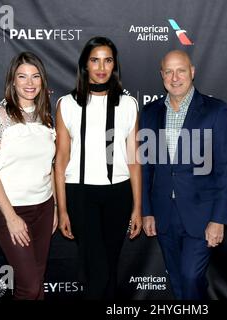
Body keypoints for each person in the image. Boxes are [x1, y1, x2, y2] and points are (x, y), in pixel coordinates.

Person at [139, 50, 227, 300]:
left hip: (202, 215)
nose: (175, 77)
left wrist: (219, 219)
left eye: (181, 70)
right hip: (164, 213)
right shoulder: (150, 113)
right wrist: (147, 210)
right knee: (178, 278)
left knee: (191, 275)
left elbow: (226, 169)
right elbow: (146, 167)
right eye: (168, 71)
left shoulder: (216, 111)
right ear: (161, 75)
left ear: (192, 71)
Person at [55, 36, 142, 299]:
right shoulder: (66, 104)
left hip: (119, 194)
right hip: (80, 195)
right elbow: (60, 161)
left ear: (114, 65)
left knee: (110, 265)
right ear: (85, 65)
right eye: (95, 60)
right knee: (97, 267)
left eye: (108, 60)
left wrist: (137, 208)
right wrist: (62, 210)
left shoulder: (128, 104)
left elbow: (134, 160)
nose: (101, 67)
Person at [0, 52, 57, 300]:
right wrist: (10, 217)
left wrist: (53, 206)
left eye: (35, 77)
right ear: (12, 81)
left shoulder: (45, 116)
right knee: (28, 286)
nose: (29, 83)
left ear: (42, 81)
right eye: (22, 77)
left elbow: (50, 165)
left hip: (43, 207)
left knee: (38, 279)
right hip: (10, 210)